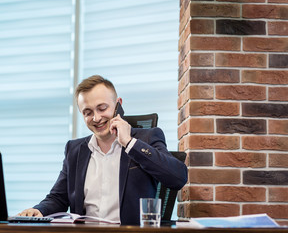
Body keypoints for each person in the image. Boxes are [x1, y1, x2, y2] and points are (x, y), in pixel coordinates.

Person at [18, 75, 187, 225]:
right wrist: (38, 211)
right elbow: (58, 197)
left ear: (118, 105)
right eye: (88, 112)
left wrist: (129, 143)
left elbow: (177, 178)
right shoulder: (74, 150)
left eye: (102, 108)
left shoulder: (146, 138)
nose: (96, 118)